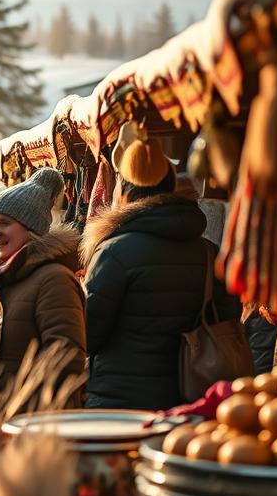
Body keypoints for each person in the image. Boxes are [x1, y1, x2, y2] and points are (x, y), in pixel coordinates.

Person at [81, 139, 241, 410]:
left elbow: (89, 334)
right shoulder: (209, 252)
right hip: (191, 394)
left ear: (125, 194)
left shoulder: (114, 252)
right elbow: (229, 317)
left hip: (120, 398)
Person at [0, 168, 86, 396]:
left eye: (5, 223)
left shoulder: (54, 279)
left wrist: (16, 405)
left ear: (31, 228)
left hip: (24, 421)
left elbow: (65, 361)